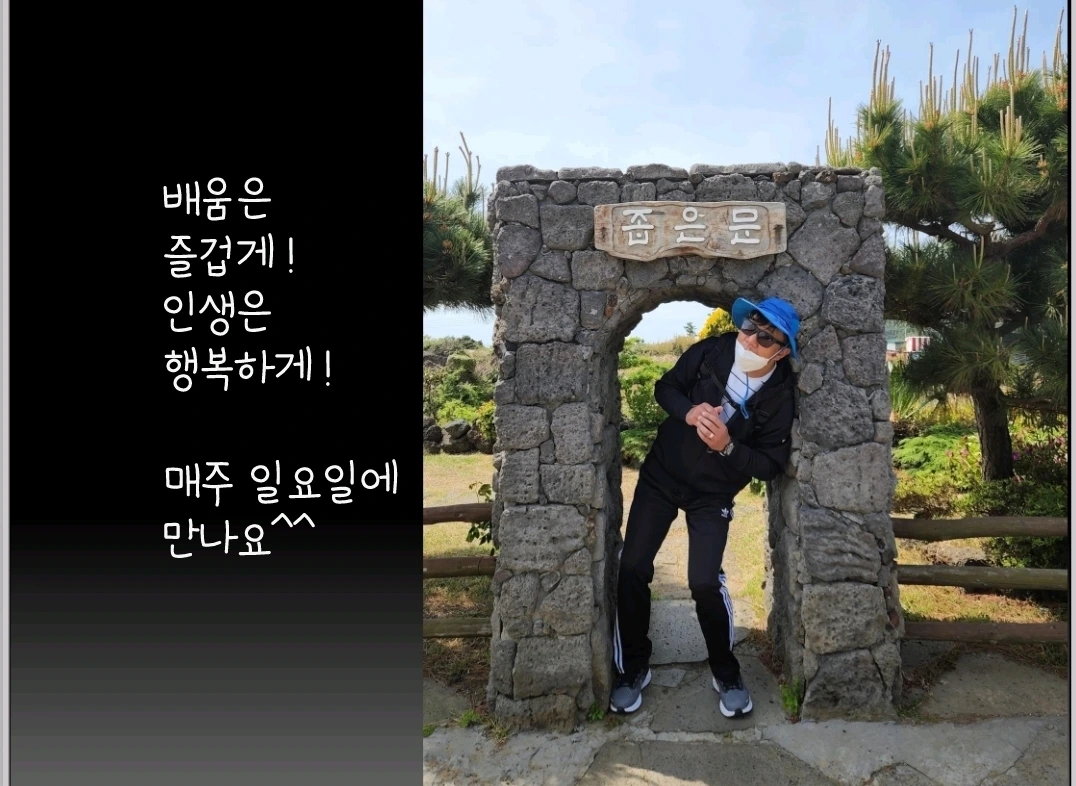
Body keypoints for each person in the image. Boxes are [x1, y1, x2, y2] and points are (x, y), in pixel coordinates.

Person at [609, 296, 800, 718]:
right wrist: (690, 412)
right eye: (749, 327)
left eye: (766, 338)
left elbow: (770, 464)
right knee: (633, 566)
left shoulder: (779, 396)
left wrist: (728, 447)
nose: (750, 341)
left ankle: (726, 671)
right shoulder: (712, 351)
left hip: (713, 495)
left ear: (782, 352)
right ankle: (633, 667)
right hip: (661, 476)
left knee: (704, 581)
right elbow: (666, 388)